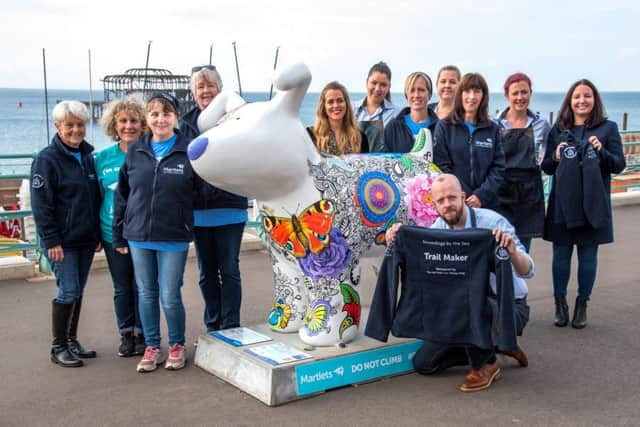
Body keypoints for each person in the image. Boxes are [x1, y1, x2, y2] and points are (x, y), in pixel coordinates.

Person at [385, 174, 533, 392]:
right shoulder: (436, 231)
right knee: (424, 364)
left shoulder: (492, 223)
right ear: (434, 205)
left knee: (470, 300)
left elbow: (528, 270)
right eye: (441, 201)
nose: (448, 204)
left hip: (509, 308)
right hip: (461, 310)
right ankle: (497, 346)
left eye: (452, 198)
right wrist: (396, 241)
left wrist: (512, 252)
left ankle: (486, 364)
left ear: (463, 197)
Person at [113, 92, 196, 373]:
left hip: (173, 236)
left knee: (170, 295)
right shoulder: (136, 150)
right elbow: (122, 195)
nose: (160, 119)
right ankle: (152, 346)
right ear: (147, 118)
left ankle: (176, 344)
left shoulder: (190, 149)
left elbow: (203, 189)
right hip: (138, 235)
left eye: (167, 113)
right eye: (154, 114)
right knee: (146, 293)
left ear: (176, 117)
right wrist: (118, 233)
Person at [541, 79, 625, 329]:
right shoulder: (558, 129)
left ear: (594, 100)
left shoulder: (608, 129)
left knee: (588, 255)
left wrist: (601, 151)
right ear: (570, 100)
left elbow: (618, 165)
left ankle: (582, 303)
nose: (582, 101)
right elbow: (546, 167)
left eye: (587, 96)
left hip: (593, 203)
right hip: (563, 203)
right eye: (577, 96)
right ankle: (559, 303)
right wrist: (556, 155)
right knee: (561, 255)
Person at [30, 100, 101, 367]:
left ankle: (71, 341)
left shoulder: (87, 157)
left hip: (85, 239)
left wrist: (95, 234)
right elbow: (41, 205)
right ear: (58, 127)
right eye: (69, 125)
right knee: (68, 291)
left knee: (78, 291)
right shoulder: (46, 160)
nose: (75, 130)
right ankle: (58, 346)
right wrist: (51, 240)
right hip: (62, 242)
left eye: (80, 125)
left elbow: (93, 198)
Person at [180, 65, 248, 335]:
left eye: (211, 86)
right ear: (194, 92)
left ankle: (230, 324)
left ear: (220, 90)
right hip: (199, 210)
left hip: (230, 207)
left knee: (229, 269)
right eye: (200, 87)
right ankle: (213, 324)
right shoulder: (185, 125)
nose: (206, 91)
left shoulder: (238, 119)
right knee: (206, 273)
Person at [96, 97, 146, 357]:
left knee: (143, 285)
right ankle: (127, 333)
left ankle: (144, 332)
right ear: (114, 125)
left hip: (141, 234)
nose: (128, 126)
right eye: (123, 121)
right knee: (122, 287)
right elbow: (95, 197)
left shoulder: (149, 153)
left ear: (142, 124)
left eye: (134, 121)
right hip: (110, 233)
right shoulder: (102, 158)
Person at [494, 73, 551, 252]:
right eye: (515, 93)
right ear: (507, 96)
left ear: (530, 93)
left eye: (524, 92)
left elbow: (550, 156)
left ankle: (521, 281)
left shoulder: (542, 124)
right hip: (502, 192)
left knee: (523, 251)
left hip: (529, 193)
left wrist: (546, 160)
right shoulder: (495, 124)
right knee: (500, 247)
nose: (520, 97)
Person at [433, 72, 505, 210]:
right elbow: (442, 166)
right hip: (456, 205)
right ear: (460, 94)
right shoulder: (444, 126)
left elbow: (498, 167)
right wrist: (462, 194)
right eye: (467, 91)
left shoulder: (492, 129)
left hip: (487, 205)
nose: (471, 97)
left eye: (477, 91)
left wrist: (481, 195)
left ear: (483, 96)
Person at [308, 81, 369, 155]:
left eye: (340, 101)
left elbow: (364, 165)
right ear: (324, 107)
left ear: (346, 104)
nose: (336, 105)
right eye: (330, 102)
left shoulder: (360, 138)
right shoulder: (311, 135)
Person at [383, 71, 438, 153]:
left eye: (421, 90)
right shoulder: (393, 127)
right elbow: (387, 160)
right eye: (412, 90)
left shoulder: (440, 127)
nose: (416, 95)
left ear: (429, 94)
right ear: (406, 95)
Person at [354, 61, 399, 129]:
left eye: (383, 85)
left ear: (389, 87)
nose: (377, 89)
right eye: (374, 83)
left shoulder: (396, 114)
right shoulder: (352, 109)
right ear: (367, 82)